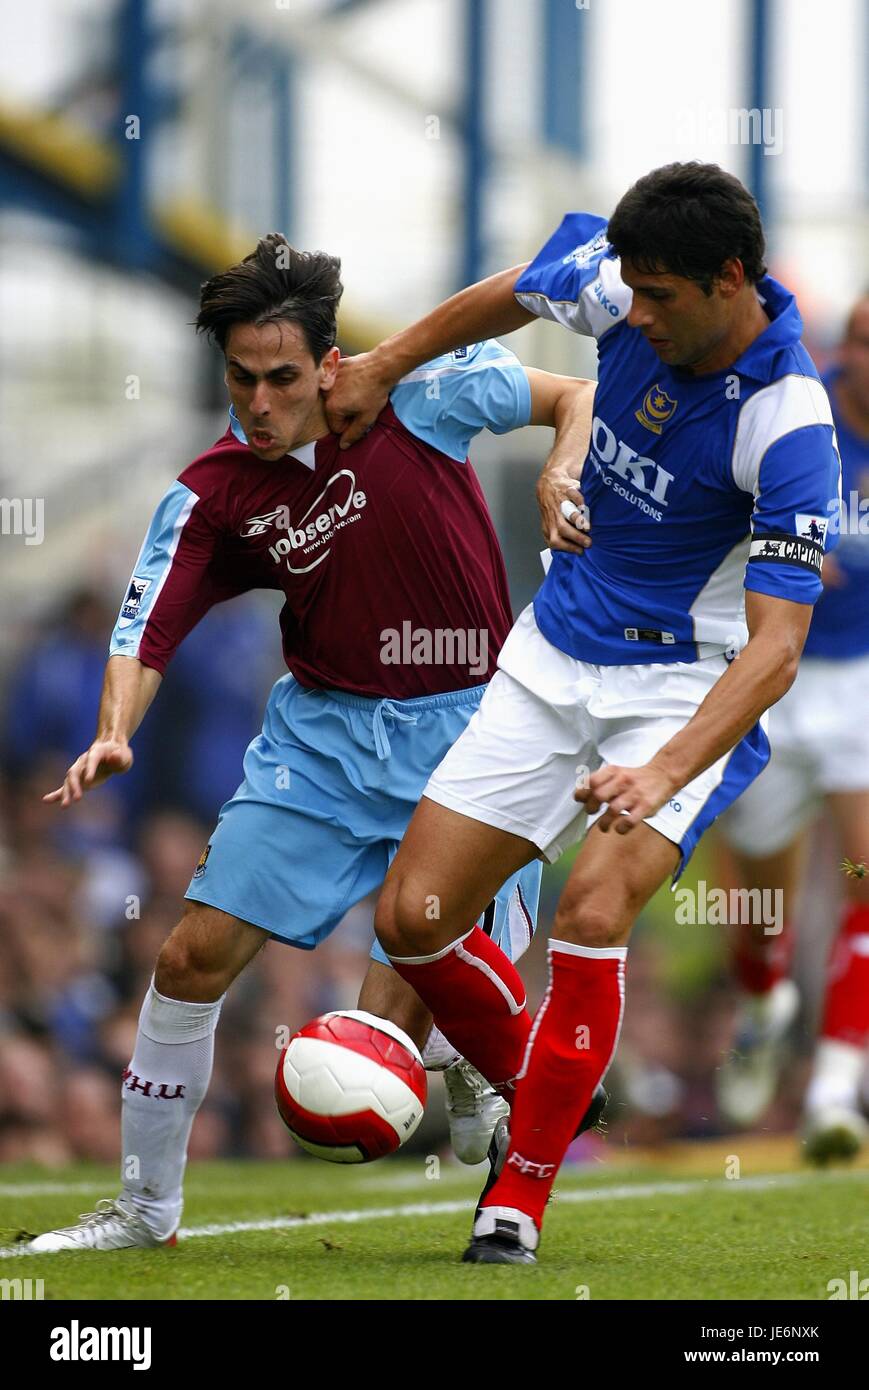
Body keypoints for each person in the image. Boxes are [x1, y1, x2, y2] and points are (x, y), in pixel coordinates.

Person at [28, 233, 596, 1254]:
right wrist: (115, 730)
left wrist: (559, 466)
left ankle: (481, 1088)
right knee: (189, 956)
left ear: (327, 364)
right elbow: (144, 624)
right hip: (321, 742)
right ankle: (142, 1208)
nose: (258, 399)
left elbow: (569, 396)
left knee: (398, 998)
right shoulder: (211, 493)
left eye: (281, 376)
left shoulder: (417, 393)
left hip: (471, 732)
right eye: (239, 377)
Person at [326, 162, 842, 1264]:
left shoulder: (791, 424)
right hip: (551, 657)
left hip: (679, 691)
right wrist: (379, 365)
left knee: (593, 914)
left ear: (730, 279)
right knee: (412, 919)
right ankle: (538, 1072)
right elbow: (511, 289)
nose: (632, 310)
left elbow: (775, 649)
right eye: (631, 290)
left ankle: (517, 1194)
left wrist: (659, 773)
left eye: (658, 296)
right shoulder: (620, 287)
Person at [717, 294, 869, 1160]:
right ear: (852, 353)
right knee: (762, 913)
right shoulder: (796, 406)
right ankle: (760, 1001)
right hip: (777, 674)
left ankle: (833, 1093)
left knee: (861, 874)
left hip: (859, 691)